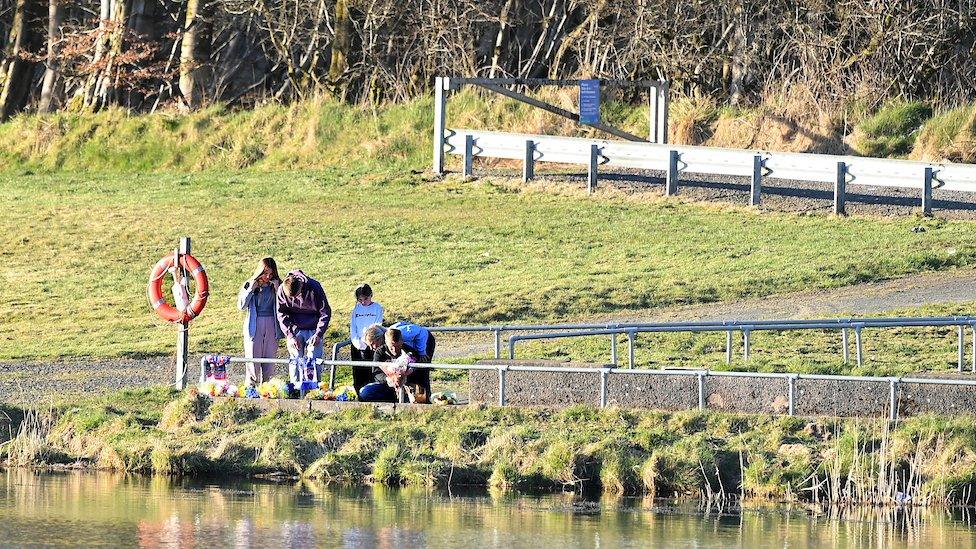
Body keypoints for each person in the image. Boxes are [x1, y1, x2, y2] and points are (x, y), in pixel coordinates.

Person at [276, 270, 331, 383]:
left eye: (297, 296)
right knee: (295, 361)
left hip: (314, 329)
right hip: (295, 329)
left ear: (301, 286)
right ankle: (295, 390)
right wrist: (290, 335)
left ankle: (313, 391)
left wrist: (318, 334)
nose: (295, 300)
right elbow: (281, 314)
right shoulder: (282, 290)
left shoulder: (314, 286)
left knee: (313, 362)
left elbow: (325, 312)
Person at [237, 257, 284, 386]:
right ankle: (250, 389)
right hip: (254, 325)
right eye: (265, 273)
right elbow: (241, 306)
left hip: (272, 325)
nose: (268, 276)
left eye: (271, 273)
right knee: (253, 361)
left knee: (269, 362)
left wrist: (277, 290)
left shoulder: (278, 284)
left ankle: (268, 390)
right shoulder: (250, 283)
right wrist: (250, 290)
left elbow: (285, 305)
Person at [358, 324, 431, 403]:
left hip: (407, 386)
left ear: (401, 342)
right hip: (387, 385)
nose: (394, 349)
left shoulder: (409, 352)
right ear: (386, 342)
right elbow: (376, 373)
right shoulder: (379, 352)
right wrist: (390, 379)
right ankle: (391, 401)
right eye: (391, 346)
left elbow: (417, 372)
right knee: (365, 393)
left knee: (420, 398)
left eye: (397, 346)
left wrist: (403, 378)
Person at [349, 283, 383, 389]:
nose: (363, 302)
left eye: (365, 299)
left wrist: (368, 340)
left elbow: (377, 325)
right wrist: (357, 342)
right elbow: (353, 326)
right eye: (360, 300)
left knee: (372, 371)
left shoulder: (377, 307)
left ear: (371, 295)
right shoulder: (357, 309)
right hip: (358, 345)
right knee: (359, 373)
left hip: (372, 343)